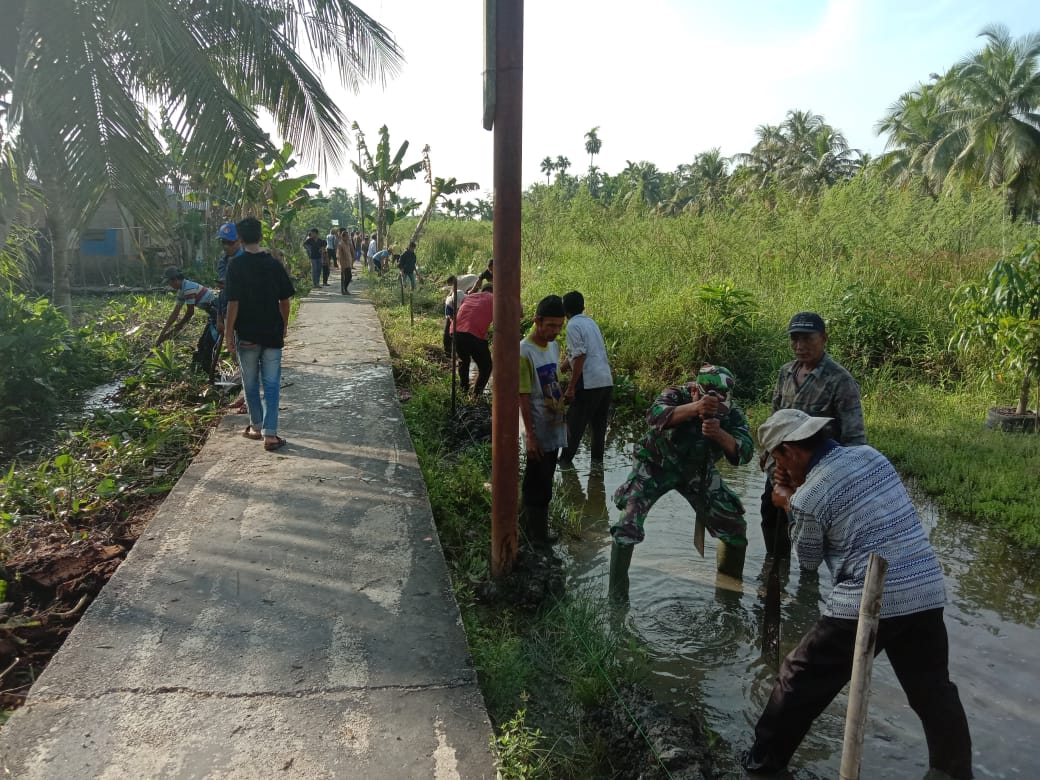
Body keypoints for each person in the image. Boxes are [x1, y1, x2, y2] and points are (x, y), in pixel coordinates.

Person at [742, 408, 972, 779]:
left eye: (777, 461)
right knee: (931, 689)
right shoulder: (870, 455)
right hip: (925, 587)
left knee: (798, 678)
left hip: (869, 597)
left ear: (790, 451)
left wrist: (788, 501)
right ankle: (953, 771)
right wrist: (796, 492)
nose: (778, 471)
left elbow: (810, 560)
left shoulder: (809, 495)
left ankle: (762, 765)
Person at [610, 365, 753, 576]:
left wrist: (719, 434)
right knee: (627, 525)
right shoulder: (676, 394)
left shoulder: (732, 413)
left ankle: (729, 597)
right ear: (695, 390)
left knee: (733, 526)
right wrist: (695, 409)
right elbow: (654, 416)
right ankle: (617, 603)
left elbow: (746, 451)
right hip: (655, 464)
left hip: (697, 470)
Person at [762, 312, 866, 558]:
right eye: (795, 339)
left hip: (817, 476)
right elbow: (774, 421)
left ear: (824, 339)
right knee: (771, 522)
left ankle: (808, 588)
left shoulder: (840, 380)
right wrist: (769, 458)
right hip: (779, 470)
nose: (800, 346)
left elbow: (854, 438)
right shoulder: (785, 373)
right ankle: (775, 575)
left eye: (807, 339)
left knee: (810, 535)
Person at [225, 216, 296, 451]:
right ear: (261, 236)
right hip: (272, 334)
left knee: (250, 383)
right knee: (272, 385)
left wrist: (228, 335)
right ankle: (271, 435)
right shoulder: (274, 264)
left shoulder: (235, 265)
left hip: (246, 334)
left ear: (241, 239)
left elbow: (232, 304)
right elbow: (284, 301)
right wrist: (284, 325)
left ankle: (256, 426)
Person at [518, 295, 568, 547]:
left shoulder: (554, 347)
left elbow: (554, 382)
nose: (555, 331)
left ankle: (535, 532)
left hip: (554, 425)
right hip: (537, 426)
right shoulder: (524, 351)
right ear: (537, 321)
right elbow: (523, 397)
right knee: (536, 483)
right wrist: (530, 436)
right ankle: (533, 537)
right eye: (550, 325)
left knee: (546, 480)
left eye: (560, 326)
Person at [559, 291, 613, 465]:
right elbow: (576, 354)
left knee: (573, 426)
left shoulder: (572, 326)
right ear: (582, 307)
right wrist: (559, 370)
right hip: (605, 381)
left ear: (564, 310)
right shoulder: (590, 322)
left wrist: (571, 386)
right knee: (598, 428)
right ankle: (597, 469)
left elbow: (580, 355)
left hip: (589, 382)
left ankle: (565, 465)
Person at [156, 266, 220, 374]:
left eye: (169, 283)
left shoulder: (188, 288)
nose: (169, 285)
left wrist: (180, 324)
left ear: (175, 280)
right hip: (212, 314)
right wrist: (162, 333)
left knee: (208, 344)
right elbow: (175, 313)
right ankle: (199, 369)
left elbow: (190, 312)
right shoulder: (182, 290)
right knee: (201, 344)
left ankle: (210, 372)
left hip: (218, 314)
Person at [452, 284, 494, 398]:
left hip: (455, 330)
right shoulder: (494, 299)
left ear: (482, 290)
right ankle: (476, 396)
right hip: (473, 332)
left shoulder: (470, 296)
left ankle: (463, 390)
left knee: (464, 361)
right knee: (486, 366)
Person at [442, 277, 468, 354]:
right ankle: (447, 351)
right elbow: (449, 316)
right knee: (448, 329)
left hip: (464, 314)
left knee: (463, 333)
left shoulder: (467, 299)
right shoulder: (449, 302)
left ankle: (462, 350)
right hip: (452, 314)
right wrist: (453, 322)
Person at [337, 228, 354, 294]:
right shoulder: (340, 244)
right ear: (343, 236)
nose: (348, 237)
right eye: (347, 236)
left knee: (349, 277)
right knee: (347, 277)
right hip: (343, 264)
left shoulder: (348, 243)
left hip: (348, 263)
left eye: (348, 236)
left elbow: (350, 252)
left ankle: (345, 289)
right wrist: (340, 265)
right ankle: (344, 290)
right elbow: (338, 256)